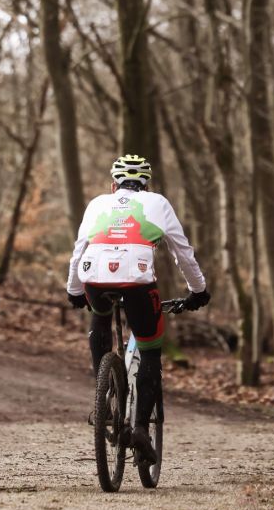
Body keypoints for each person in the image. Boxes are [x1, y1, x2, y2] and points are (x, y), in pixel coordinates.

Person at [65, 154, 209, 464]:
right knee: (150, 349)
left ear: (113, 184)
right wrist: (198, 290)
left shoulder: (97, 203)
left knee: (99, 318)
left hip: (94, 277)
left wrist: (74, 291)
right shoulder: (158, 203)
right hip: (137, 280)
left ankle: (102, 397)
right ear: (146, 185)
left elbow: (79, 250)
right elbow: (183, 253)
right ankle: (141, 429)